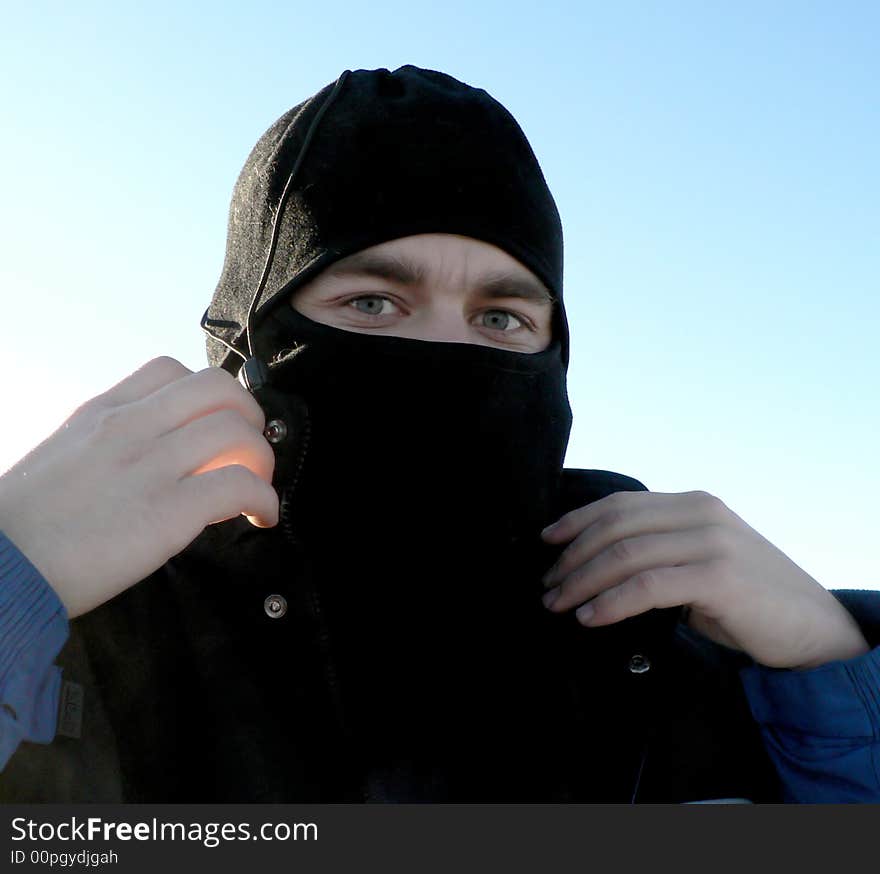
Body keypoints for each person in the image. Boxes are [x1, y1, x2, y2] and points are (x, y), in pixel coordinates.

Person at [1, 65, 879, 803]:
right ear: (249, 348)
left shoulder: (683, 642)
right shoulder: (92, 630)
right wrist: (12, 578)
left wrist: (838, 672)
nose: (447, 354)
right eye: (374, 303)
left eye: (501, 318)